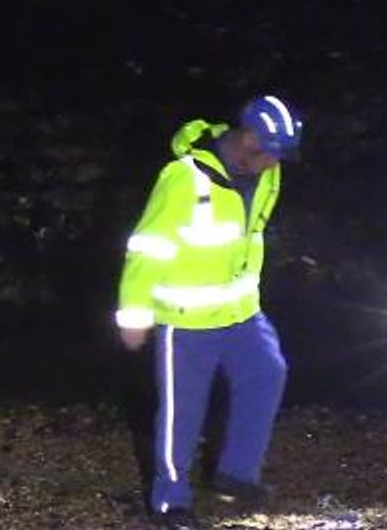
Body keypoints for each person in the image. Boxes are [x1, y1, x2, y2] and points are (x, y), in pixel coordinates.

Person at [116, 95, 301, 529]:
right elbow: (147, 248)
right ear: (249, 138)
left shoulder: (269, 175)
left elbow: (248, 236)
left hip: (240, 311)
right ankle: (170, 504)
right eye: (273, 151)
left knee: (268, 372)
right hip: (186, 320)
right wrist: (134, 313)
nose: (277, 163)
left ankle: (236, 476)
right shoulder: (183, 179)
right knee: (182, 413)